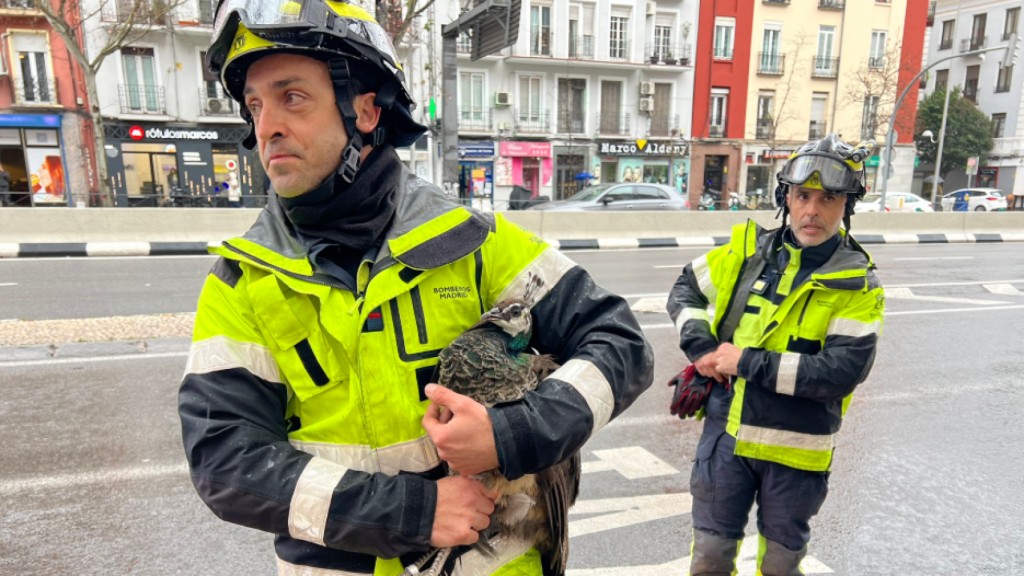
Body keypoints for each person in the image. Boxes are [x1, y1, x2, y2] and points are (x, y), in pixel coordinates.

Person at [178, 2, 655, 576]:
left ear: (365, 110)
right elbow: (226, 462)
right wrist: (412, 512)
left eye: (292, 97)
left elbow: (621, 344)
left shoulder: (473, 241)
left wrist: (511, 434)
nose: (267, 126)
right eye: (255, 105)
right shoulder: (241, 280)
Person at [666, 135, 884, 576]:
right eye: (803, 196)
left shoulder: (858, 283)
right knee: (709, 560)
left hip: (797, 453)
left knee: (781, 567)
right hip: (726, 442)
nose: (812, 211)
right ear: (786, 197)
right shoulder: (747, 255)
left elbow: (841, 372)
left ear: (846, 204)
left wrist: (745, 362)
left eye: (828, 199)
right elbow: (686, 288)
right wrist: (702, 348)